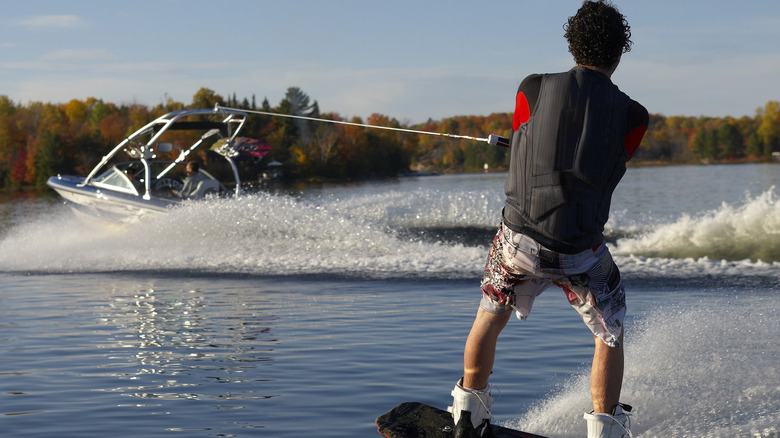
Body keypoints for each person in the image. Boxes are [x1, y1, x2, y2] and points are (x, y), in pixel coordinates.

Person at [447, 2, 648, 437]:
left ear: (572, 45)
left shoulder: (532, 87)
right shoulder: (635, 116)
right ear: (620, 53)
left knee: (490, 312)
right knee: (609, 331)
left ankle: (468, 415)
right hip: (579, 252)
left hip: (518, 241)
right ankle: (605, 429)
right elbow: (612, 158)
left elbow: (523, 133)